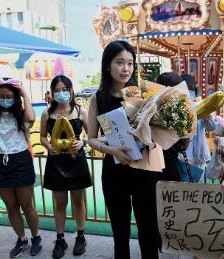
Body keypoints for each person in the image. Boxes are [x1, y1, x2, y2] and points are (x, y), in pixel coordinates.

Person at [87, 40, 159, 259]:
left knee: (148, 231)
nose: (126, 68)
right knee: (120, 232)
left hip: (144, 170)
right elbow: (91, 139)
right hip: (114, 172)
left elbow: (157, 131)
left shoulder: (144, 95)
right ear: (107, 65)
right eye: (120, 62)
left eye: (130, 63)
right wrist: (113, 151)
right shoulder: (98, 99)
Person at [0, 79, 42, 258]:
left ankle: (36, 237)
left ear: (16, 97)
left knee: (26, 205)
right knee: (11, 207)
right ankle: (21, 239)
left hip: (20, 159)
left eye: (9, 96)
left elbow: (32, 118)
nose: (5, 99)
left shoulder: (21, 113)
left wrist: (25, 94)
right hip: (0, 160)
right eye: (1, 96)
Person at [40, 75, 92, 258]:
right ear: (52, 93)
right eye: (57, 90)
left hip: (76, 160)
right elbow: (42, 137)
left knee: (78, 201)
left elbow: (92, 134)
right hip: (56, 162)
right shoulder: (47, 113)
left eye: (65, 89)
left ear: (71, 90)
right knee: (60, 203)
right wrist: (48, 146)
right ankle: (60, 239)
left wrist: (82, 141)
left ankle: (80, 236)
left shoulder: (80, 111)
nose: (61, 93)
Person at [155, 72, 191, 182]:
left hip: (162, 168)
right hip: (164, 170)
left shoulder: (179, 113)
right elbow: (183, 147)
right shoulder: (150, 112)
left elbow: (183, 146)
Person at [181, 74, 216, 182]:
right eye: (187, 89)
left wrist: (207, 117)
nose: (189, 93)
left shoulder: (202, 105)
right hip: (184, 155)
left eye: (192, 90)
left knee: (199, 186)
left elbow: (211, 128)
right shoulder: (177, 107)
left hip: (199, 155)